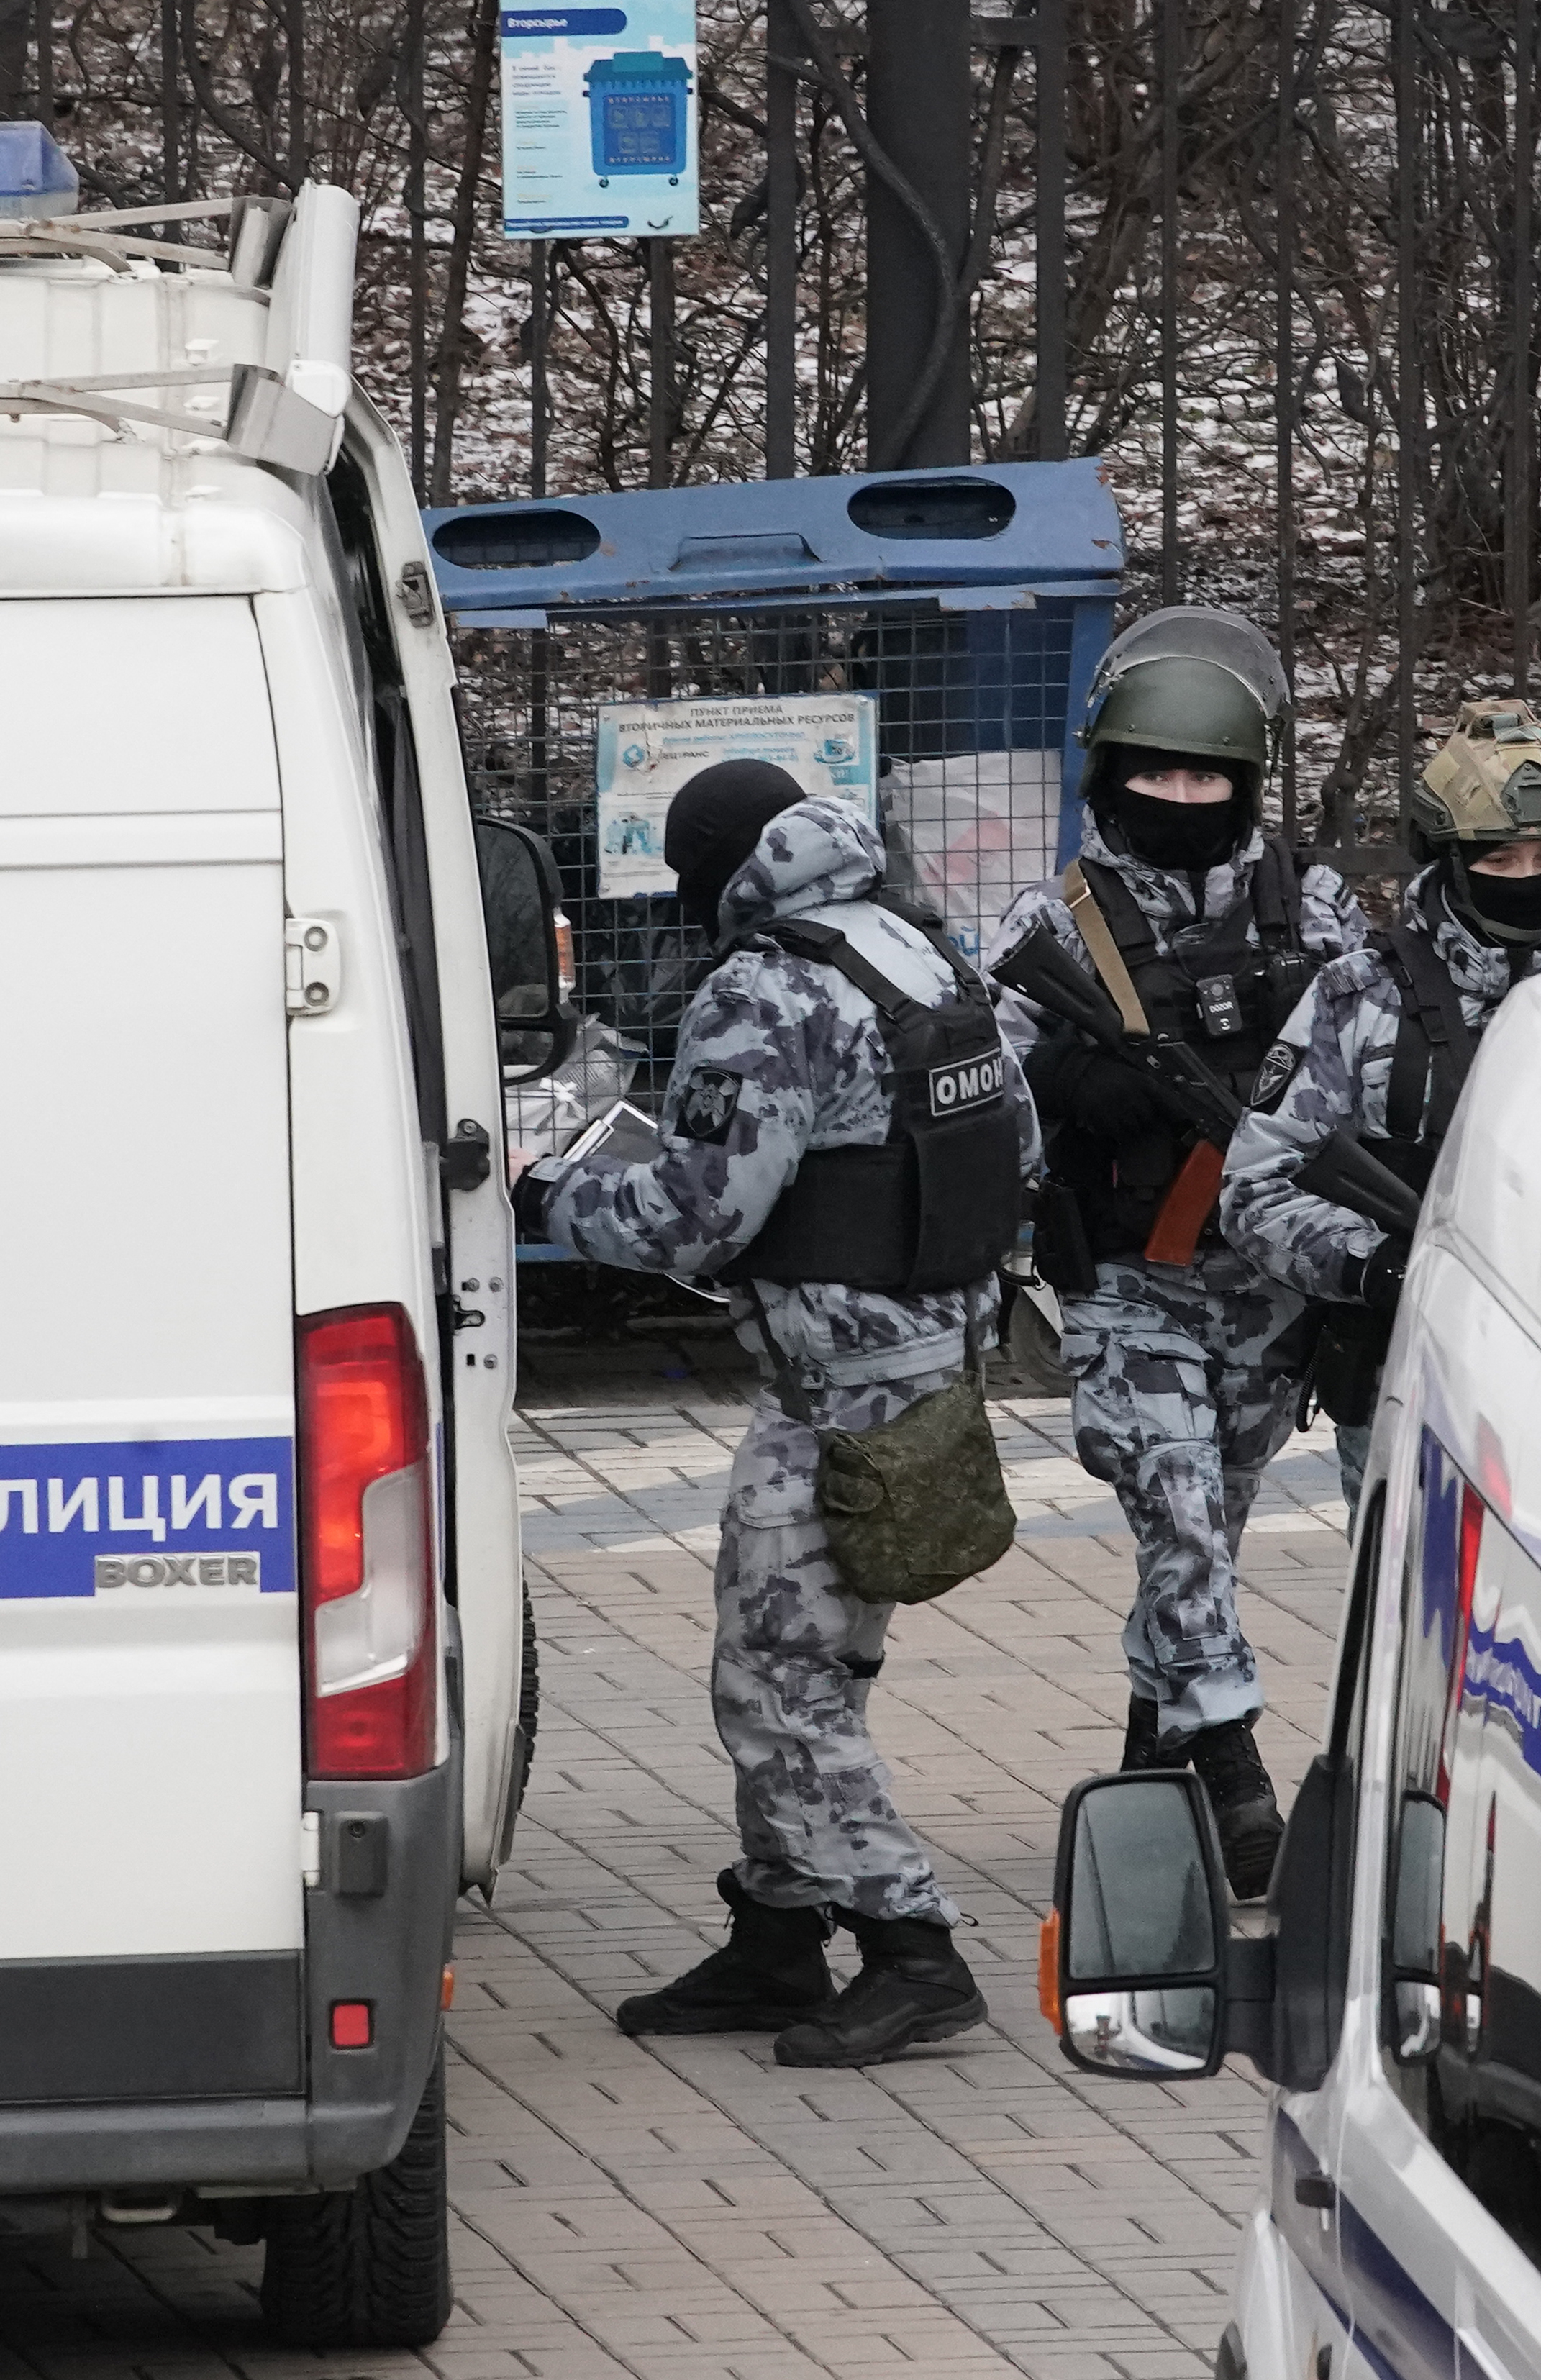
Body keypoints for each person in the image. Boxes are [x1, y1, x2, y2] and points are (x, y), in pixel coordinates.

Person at [513, 758, 1037, 2069]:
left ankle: (913, 1949)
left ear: (715, 871)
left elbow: (698, 1214)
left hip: (838, 1395)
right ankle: (778, 1927)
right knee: (789, 1655)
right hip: (924, 1363)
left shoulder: (764, 986)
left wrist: (542, 1198)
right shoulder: (913, 948)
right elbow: (1012, 1155)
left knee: (780, 1681)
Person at [992, 611, 1360, 1899]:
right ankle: (1237, 1776)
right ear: (1109, 773)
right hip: (1128, 1286)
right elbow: (994, 1098)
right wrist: (1070, 1083)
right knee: (1183, 1521)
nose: (1182, 795)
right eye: (1157, 772)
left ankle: (1152, 1766)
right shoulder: (1058, 918)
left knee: (1208, 1534)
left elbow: (1360, 1065)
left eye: (1206, 775)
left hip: (1265, 1282)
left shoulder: (1309, 905)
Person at [1220, 699, 1541, 1504]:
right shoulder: (1358, 995)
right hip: (1410, 1369)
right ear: (1446, 857)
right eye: (1497, 860)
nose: (1526, 880)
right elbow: (1257, 1188)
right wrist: (1380, 1265)